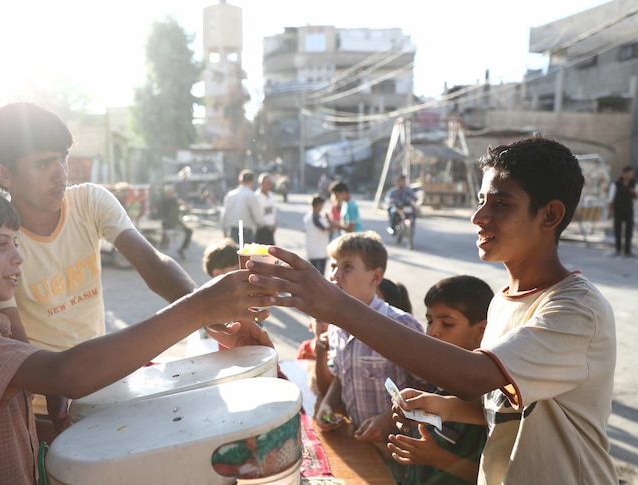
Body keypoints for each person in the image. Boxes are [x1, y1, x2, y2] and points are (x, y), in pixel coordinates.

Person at [247, 136, 618, 484]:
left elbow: (474, 377)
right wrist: (442, 406)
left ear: (550, 215)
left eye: (501, 204)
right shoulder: (505, 300)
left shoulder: (575, 310)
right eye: (481, 200)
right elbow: (502, 405)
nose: (479, 216)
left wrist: (338, 307)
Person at [0, 185, 273, 484]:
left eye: (16, 243)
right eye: (0, 245)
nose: (17, 257)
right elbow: (66, 374)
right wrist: (200, 308)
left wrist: (61, 426)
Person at [0, 102, 270, 431]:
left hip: (99, 392)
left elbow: (153, 264)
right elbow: (23, 354)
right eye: (44, 163)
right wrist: (200, 308)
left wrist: (212, 315)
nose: (61, 173)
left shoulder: (89, 200)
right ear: (4, 174)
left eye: (63, 158)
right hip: (40, 410)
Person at [311, 231, 425, 457]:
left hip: (400, 449)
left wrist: (388, 420)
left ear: (375, 277)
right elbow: (343, 376)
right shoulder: (336, 325)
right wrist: (328, 403)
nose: (335, 275)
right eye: (333, 266)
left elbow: (430, 388)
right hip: (360, 443)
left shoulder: (400, 326)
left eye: (347, 267)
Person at [390, 275, 493, 485]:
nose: (433, 331)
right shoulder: (437, 379)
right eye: (429, 321)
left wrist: (438, 458)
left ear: (481, 330)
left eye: (447, 323)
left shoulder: (490, 397)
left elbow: (496, 476)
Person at [220, 169, 263, 244]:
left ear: (240, 181)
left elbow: (224, 215)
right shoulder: (251, 195)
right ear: (252, 182)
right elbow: (258, 218)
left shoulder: (231, 195)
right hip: (247, 233)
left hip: (233, 232)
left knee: (233, 255)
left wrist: (224, 231)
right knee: (246, 255)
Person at [607, 165, 638, 258]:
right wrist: (610, 212)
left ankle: (627, 250)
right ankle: (618, 249)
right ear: (623, 174)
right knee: (618, 229)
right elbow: (610, 199)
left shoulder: (634, 184)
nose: (630, 176)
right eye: (628, 174)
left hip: (629, 210)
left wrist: (634, 192)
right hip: (618, 210)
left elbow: (637, 197)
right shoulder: (616, 184)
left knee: (629, 230)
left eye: (631, 174)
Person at [158, 184, 192, 259]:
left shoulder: (168, 200)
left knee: (189, 231)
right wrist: (187, 206)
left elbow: (181, 203)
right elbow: (180, 202)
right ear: (168, 193)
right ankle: (178, 248)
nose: (173, 193)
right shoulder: (168, 200)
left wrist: (187, 207)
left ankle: (181, 249)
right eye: (171, 192)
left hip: (174, 222)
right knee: (188, 231)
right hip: (170, 223)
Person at [303, 194, 333, 274]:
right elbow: (330, 229)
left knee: (313, 274)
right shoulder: (317, 218)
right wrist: (328, 220)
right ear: (318, 205)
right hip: (320, 251)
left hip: (311, 250)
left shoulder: (307, 217)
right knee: (319, 275)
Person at [255, 172, 277, 245]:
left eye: (270, 183)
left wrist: (274, 223)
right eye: (267, 183)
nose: (269, 186)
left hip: (270, 229)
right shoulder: (256, 197)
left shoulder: (271, 195)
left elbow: (273, 211)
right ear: (261, 183)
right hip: (260, 230)